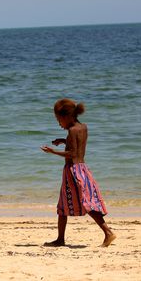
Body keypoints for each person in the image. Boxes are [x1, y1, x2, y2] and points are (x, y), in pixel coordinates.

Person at [40, 98, 116, 247]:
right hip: (82, 169)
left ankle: (108, 233)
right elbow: (78, 144)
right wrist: (63, 140)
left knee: (84, 204)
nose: (58, 123)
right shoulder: (82, 127)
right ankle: (60, 239)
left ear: (67, 117)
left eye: (58, 119)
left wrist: (53, 152)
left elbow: (72, 153)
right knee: (64, 205)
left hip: (73, 171)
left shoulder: (72, 130)